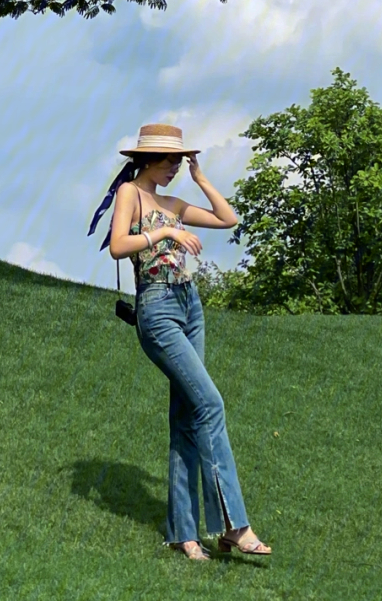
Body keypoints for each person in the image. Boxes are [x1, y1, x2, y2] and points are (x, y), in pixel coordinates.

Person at [107, 122, 271, 561]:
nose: (173, 169)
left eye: (179, 162)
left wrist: (201, 179)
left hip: (190, 306)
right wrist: (165, 232)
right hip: (157, 308)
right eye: (168, 162)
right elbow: (118, 246)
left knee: (186, 417)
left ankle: (184, 533)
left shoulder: (176, 201)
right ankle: (234, 525)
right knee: (211, 404)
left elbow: (228, 218)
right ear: (146, 159)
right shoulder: (132, 195)